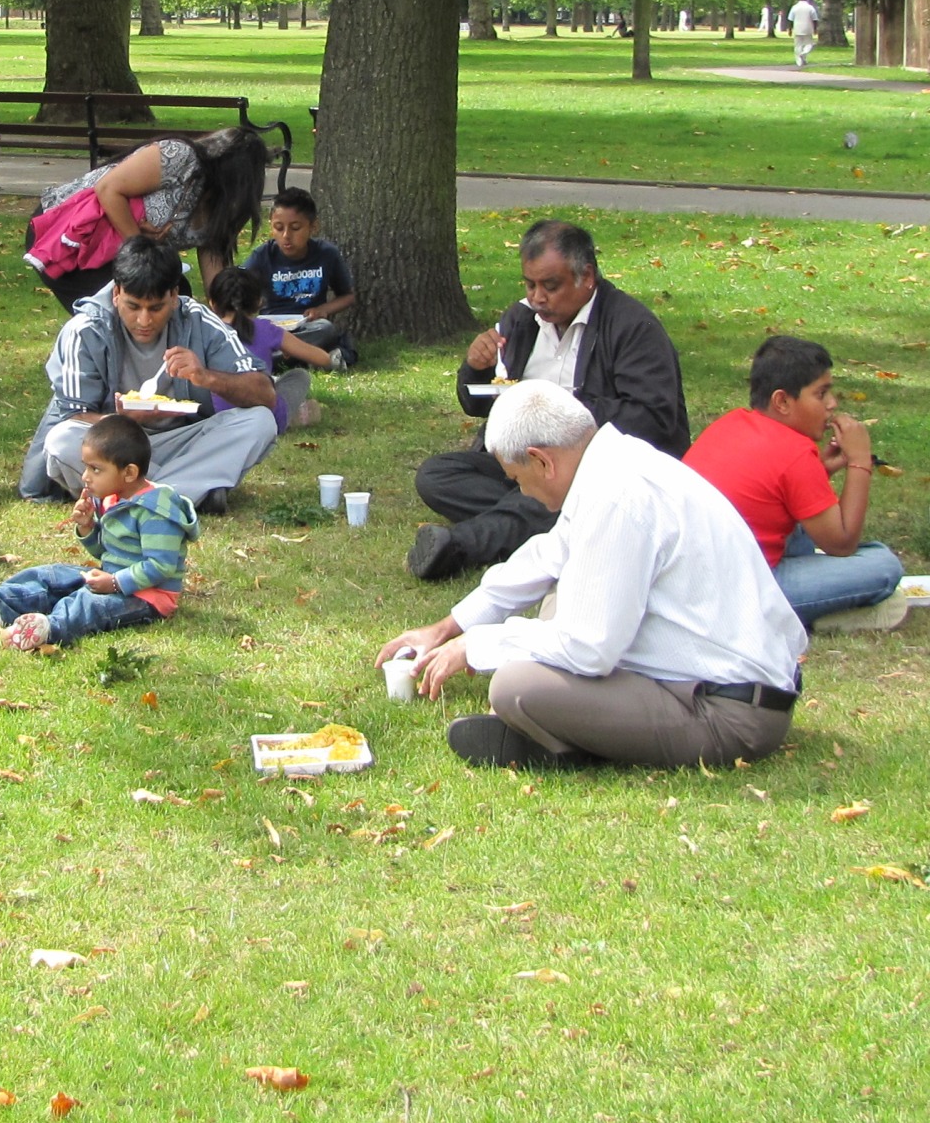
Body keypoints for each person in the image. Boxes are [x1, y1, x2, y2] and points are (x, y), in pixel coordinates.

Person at [377, 382, 805, 771]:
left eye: (517, 479)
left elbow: (589, 648)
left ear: (541, 461)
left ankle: (560, 740)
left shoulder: (616, 496)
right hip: (709, 680)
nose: (521, 492)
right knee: (557, 600)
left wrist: (479, 645)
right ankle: (560, 730)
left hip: (726, 712)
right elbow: (542, 560)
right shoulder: (614, 463)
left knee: (514, 686)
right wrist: (447, 628)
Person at [410, 220, 688, 580]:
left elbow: (653, 419)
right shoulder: (521, 319)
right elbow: (479, 404)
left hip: (593, 469)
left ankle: (462, 545)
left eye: (550, 286)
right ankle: (550, 519)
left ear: (587, 277)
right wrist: (476, 369)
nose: (538, 297)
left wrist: (561, 408)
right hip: (525, 463)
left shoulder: (632, 327)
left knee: (548, 494)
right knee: (436, 476)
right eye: (530, 285)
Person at [16, 237, 280, 513]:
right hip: (115, 448)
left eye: (156, 308)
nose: (144, 320)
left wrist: (207, 377)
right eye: (133, 307)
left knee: (259, 421)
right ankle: (186, 493)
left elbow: (266, 394)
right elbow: (73, 415)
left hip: (179, 443)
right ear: (116, 293)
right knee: (61, 440)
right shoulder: (85, 329)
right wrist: (122, 420)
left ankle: (147, 498)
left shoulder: (197, 320)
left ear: (174, 296)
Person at [683, 336, 903, 630]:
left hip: (691, 582)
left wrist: (819, 471)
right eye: (821, 394)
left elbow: (772, 492)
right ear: (783, 401)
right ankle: (821, 616)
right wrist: (860, 461)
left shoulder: (731, 423)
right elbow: (842, 543)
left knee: (800, 528)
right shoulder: (794, 453)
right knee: (884, 565)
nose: (832, 404)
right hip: (737, 598)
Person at [0, 415, 198, 651]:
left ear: (129, 472)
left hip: (147, 597)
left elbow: (160, 566)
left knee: (89, 603)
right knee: (50, 576)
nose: (85, 477)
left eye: (96, 469)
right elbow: (107, 551)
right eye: (86, 467)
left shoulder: (156, 510)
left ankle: (47, 629)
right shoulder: (113, 498)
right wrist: (87, 527)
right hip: (112, 578)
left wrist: (114, 583)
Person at [27, 125, 273, 312]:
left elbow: (214, 267)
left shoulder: (221, 208)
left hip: (116, 251)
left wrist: (229, 315)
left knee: (178, 295)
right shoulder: (180, 156)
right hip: (69, 238)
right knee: (124, 311)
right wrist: (141, 247)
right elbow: (108, 189)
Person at [204, 267, 332, 432]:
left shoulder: (205, 332)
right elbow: (323, 359)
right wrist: (286, 347)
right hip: (267, 419)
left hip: (218, 421)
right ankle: (294, 415)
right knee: (300, 375)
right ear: (258, 302)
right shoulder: (265, 329)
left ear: (212, 303)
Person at [237, 187, 356, 354]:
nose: (286, 235)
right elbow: (236, 284)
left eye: (295, 228)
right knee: (246, 332)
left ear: (313, 227)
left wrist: (323, 310)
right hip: (271, 326)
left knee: (326, 329)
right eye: (279, 228)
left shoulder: (327, 254)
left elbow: (348, 296)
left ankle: (276, 354)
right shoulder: (263, 255)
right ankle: (299, 355)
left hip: (307, 325)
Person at [787, 0, 820, 69]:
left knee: (798, 45)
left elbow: (790, 20)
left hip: (797, 28)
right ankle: (804, 53)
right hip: (808, 28)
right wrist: (815, 29)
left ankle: (799, 61)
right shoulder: (810, 8)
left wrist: (790, 29)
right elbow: (815, 19)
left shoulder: (794, 7)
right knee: (809, 44)